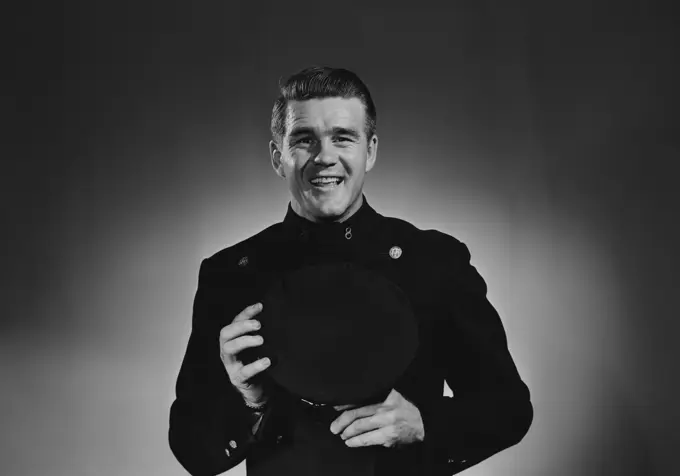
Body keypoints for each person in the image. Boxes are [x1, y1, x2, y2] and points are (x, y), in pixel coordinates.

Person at [168, 66, 533, 476]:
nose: (325, 156)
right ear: (278, 157)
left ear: (370, 151)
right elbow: (190, 448)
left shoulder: (433, 261)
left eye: (343, 137)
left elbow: (509, 408)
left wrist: (425, 423)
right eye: (304, 140)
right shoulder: (231, 274)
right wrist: (250, 401)